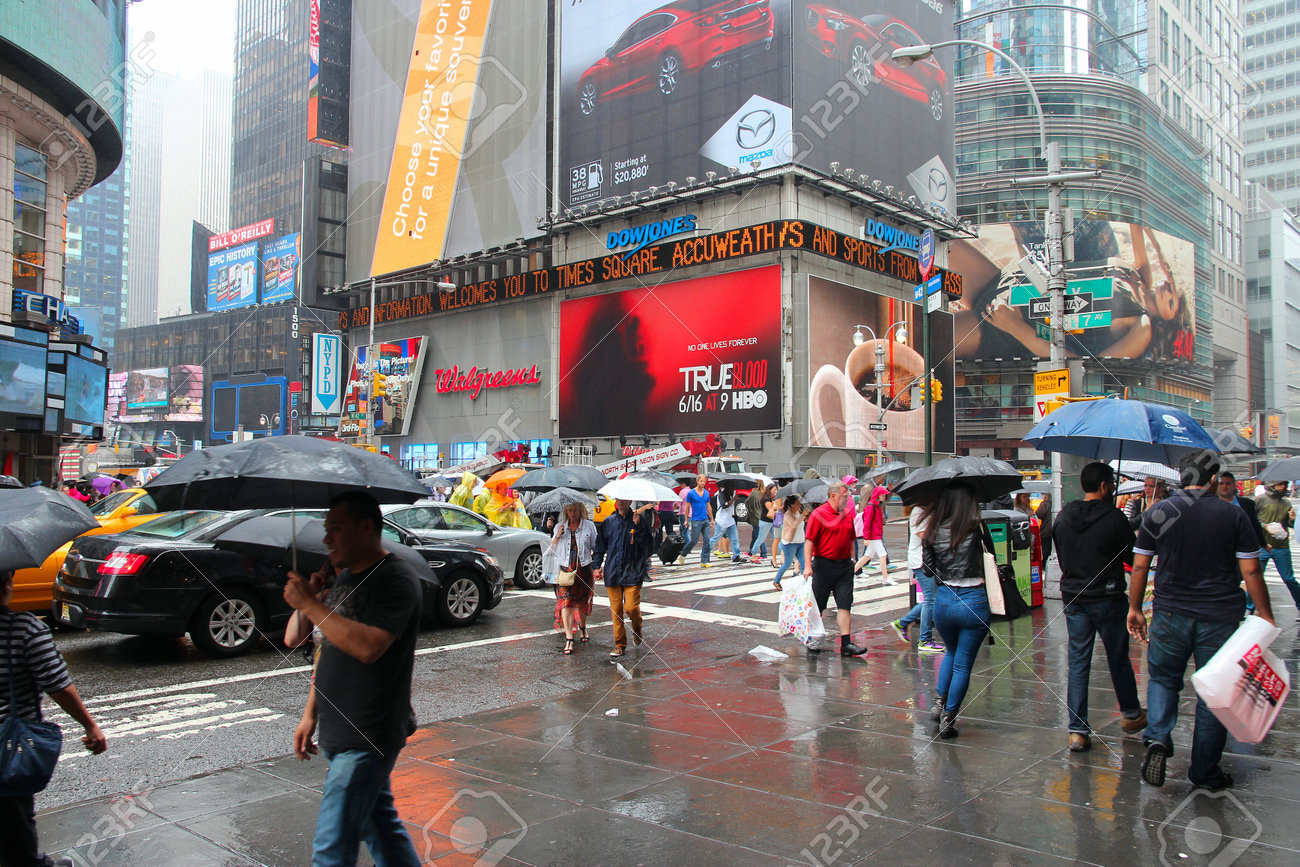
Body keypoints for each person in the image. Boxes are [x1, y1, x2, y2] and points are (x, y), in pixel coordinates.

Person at [284, 491, 423, 866]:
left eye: (335, 529)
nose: (327, 539)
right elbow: (300, 641)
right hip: (338, 728)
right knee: (382, 832)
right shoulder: (344, 579)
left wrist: (311, 605)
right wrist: (310, 713)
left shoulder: (396, 580)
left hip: (368, 732)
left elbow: (368, 647)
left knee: (331, 848)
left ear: (366, 528)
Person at [1127, 452, 1274, 790]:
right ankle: (1205, 771)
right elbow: (1251, 569)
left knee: (1164, 680)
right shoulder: (1232, 514)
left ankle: (1159, 738)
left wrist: (1135, 608)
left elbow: (1139, 566)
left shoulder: (1159, 512)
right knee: (1214, 693)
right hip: (1219, 618)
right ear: (1212, 480)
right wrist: (1265, 616)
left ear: (1181, 476)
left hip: (1169, 614)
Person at [1, 568, 107, 867]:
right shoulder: (23, 629)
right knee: (16, 832)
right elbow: (57, 685)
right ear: (7, 584)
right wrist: (90, 725)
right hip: (7, 751)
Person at [1051, 462, 1145, 752]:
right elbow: (1131, 555)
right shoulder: (1115, 518)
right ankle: (1131, 715)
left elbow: (1062, 552)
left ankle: (1078, 731)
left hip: (1075, 596)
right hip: (1107, 597)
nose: (1114, 488)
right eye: (1112, 484)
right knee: (1118, 659)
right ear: (1104, 486)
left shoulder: (1064, 515)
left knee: (1078, 661)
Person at [922, 483, 991, 738]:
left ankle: (938, 704)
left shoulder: (932, 531)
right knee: (963, 665)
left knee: (950, 653)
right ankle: (949, 720)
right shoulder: (976, 527)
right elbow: (991, 557)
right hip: (973, 600)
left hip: (944, 601)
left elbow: (928, 571)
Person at [802, 483, 868, 657]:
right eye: (845, 496)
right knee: (819, 606)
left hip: (844, 566)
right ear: (833, 496)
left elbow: (851, 537)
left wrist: (853, 559)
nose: (848, 500)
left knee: (845, 605)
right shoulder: (818, 514)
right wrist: (808, 566)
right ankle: (813, 640)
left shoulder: (847, 514)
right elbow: (809, 541)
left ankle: (846, 643)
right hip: (824, 565)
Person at [594, 499, 657, 658]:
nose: (620, 502)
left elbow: (648, 546)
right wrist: (597, 565)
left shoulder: (638, 520)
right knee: (616, 611)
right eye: (618, 499)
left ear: (630, 501)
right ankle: (619, 645)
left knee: (631, 608)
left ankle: (637, 626)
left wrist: (639, 527)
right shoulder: (609, 522)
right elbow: (600, 546)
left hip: (633, 571)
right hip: (613, 571)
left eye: (624, 499)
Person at [546, 502, 598, 655]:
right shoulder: (559, 526)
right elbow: (551, 550)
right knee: (566, 603)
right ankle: (569, 637)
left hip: (583, 569)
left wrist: (597, 566)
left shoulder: (589, 526)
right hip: (565, 570)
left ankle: (582, 627)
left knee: (582, 603)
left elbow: (596, 546)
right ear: (566, 512)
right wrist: (556, 535)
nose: (573, 513)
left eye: (575, 510)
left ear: (580, 511)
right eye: (569, 510)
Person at [891, 505, 944, 653]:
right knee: (931, 598)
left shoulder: (927, 510)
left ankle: (903, 623)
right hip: (921, 561)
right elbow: (924, 535)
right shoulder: (918, 511)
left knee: (933, 597)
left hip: (928, 560)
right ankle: (925, 639)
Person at [1255, 480, 1300, 613]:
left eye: (1285, 484)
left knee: (1289, 578)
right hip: (1262, 545)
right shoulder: (1260, 500)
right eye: (1281, 484)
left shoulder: (1286, 503)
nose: (1283, 487)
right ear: (1273, 484)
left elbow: (1289, 524)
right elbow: (1252, 520)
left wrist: (1292, 519)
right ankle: (1249, 607)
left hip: (1281, 545)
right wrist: (1264, 526)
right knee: (1256, 578)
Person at [853, 475, 893, 585]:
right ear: (878, 495)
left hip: (876, 535)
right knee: (882, 555)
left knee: (867, 557)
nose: (884, 497)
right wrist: (866, 537)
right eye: (883, 495)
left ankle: (850, 573)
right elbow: (867, 523)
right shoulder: (871, 507)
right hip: (874, 536)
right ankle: (885, 578)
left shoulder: (876, 506)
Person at [678, 474, 713, 565]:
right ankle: (683, 554)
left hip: (705, 519)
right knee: (694, 540)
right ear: (697, 481)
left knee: (707, 540)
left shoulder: (706, 493)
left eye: (704, 481)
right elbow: (687, 507)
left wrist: (712, 519)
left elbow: (708, 506)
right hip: (696, 520)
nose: (703, 483)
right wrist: (686, 520)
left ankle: (704, 560)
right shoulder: (691, 493)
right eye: (701, 481)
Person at [773, 496, 807, 589]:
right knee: (787, 564)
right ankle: (776, 581)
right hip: (790, 543)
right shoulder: (788, 514)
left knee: (804, 564)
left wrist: (804, 516)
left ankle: (806, 584)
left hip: (801, 541)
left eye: (800, 503)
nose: (799, 506)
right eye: (797, 504)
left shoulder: (798, 513)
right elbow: (794, 525)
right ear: (791, 505)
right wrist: (803, 515)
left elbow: (800, 523)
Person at [706, 487, 741, 565]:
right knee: (716, 538)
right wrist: (734, 499)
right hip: (721, 520)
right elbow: (724, 505)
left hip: (730, 520)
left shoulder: (732, 494)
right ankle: (705, 553)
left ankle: (736, 555)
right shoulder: (721, 494)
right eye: (731, 487)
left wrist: (735, 498)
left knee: (734, 538)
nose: (733, 490)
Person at [747, 483, 776, 562]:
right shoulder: (766, 499)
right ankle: (753, 555)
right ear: (769, 490)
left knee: (776, 538)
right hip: (765, 521)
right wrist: (775, 503)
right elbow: (770, 508)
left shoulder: (770, 498)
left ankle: (783, 555)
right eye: (774, 490)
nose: (775, 491)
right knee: (760, 539)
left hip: (772, 521)